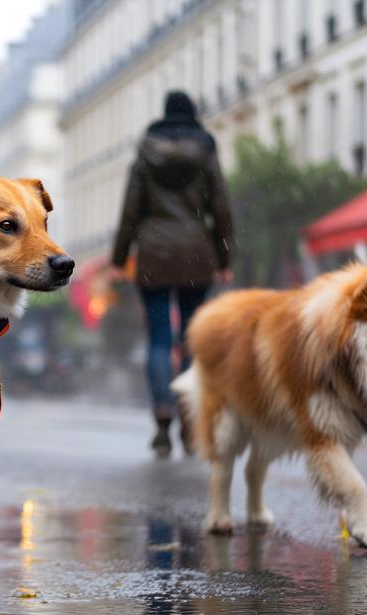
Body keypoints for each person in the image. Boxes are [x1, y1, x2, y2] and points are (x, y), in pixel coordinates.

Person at [110, 91, 234, 459]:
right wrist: (225, 257)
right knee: (192, 340)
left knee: (160, 339)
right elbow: (222, 207)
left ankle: (162, 411)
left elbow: (130, 211)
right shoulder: (206, 152)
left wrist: (119, 258)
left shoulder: (145, 155)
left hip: (154, 254)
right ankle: (190, 420)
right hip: (197, 253)